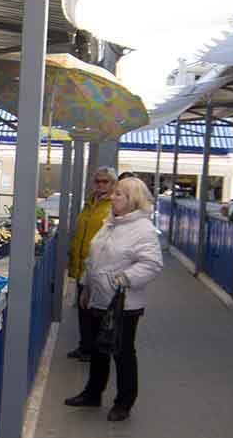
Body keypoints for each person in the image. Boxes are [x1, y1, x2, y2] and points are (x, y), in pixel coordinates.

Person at [64, 177, 164, 421]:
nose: (113, 197)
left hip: (123, 304)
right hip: (99, 297)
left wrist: (122, 279)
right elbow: (93, 257)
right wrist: (86, 286)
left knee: (123, 352)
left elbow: (152, 264)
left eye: (119, 194)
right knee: (98, 350)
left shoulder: (144, 230)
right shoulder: (110, 224)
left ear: (132, 200)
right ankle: (92, 393)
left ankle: (124, 402)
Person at [67, 166, 117, 362]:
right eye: (98, 181)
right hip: (82, 265)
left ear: (113, 184)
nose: (101, 185)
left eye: (105, 182)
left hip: (99, 268)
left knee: (95, 312)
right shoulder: (90, 203)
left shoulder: (113, 206)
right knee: (83, 309)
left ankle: (96, 350)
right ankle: (84, 346)